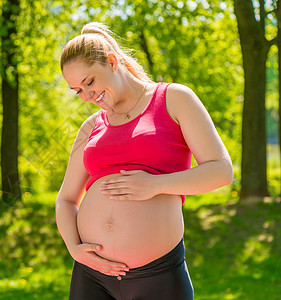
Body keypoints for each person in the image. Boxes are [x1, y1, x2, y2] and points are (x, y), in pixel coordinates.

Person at [55, 22, 233, 300]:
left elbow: (221, 171)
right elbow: (66, 199)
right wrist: (74, 248)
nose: (87, 96)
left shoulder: (173, 99)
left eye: (89, 82)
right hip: (92, 275)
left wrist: (155, 185)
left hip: (158, 276)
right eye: (77, 90)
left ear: (112, 62)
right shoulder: (91, 126)